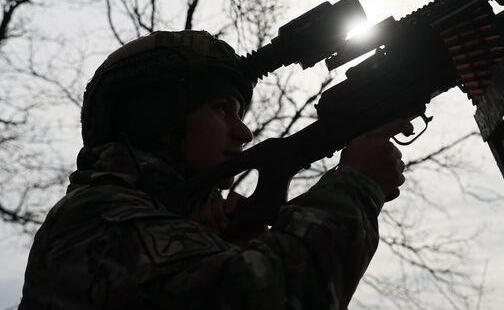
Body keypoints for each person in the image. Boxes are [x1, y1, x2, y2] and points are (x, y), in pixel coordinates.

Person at [19, 30, 407, 309]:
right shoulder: (95, 217)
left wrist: (234, 247)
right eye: (221, 109)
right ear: (158, 119)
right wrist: (355, 186)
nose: (244, 132)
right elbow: (275, 296)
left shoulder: (152, 219)